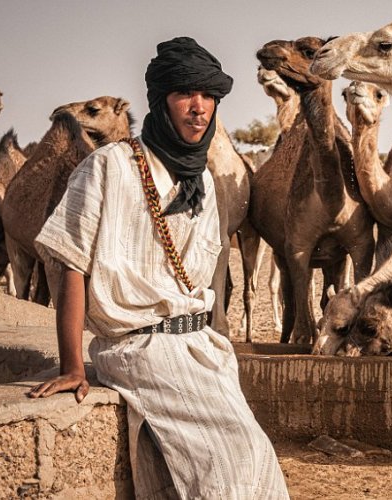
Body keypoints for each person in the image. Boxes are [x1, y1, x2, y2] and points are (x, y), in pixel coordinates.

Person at [28, 37, 290, 499]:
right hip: (141, 349)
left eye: (209, 96)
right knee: (231, 466)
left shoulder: (204, 179)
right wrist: (73, 364)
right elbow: (71, 263)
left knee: (259, 460)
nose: (199, 107)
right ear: (160, 102)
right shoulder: (108, 166)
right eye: (185, 94)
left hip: (203, 349)